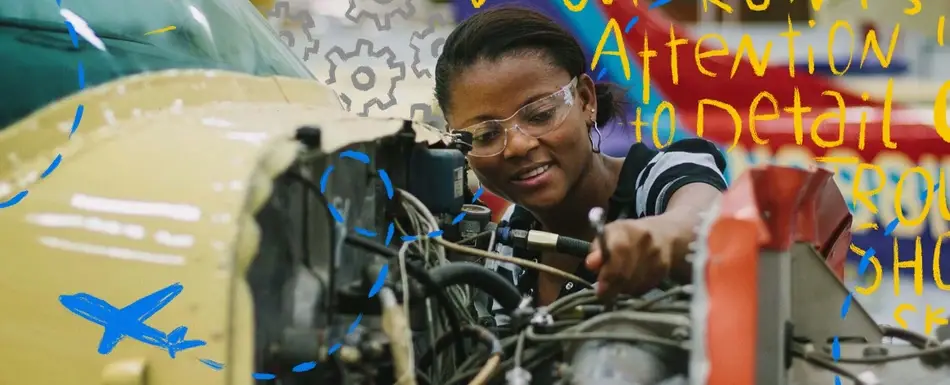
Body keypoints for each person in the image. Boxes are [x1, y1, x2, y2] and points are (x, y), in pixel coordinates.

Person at [433, 7, 728, 311]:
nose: (518, 146)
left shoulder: (661, 176)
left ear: (585, 100)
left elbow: (702, 217)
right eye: (485, 135)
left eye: (541, 114)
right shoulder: (509, 238)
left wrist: (660, 236)